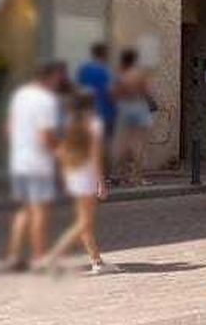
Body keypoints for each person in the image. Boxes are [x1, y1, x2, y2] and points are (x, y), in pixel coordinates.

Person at [5, 62, 66, 272]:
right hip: (38, 162)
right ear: (50, 78)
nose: (59, 82)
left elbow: (10, 127)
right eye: (58, 78)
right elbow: (46, 135)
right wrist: (61, 154)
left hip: (19, 161)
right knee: (40, 211)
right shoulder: (46, 100)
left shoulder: (20, 95)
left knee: (24, 209)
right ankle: (39, 259)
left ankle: (13, 256)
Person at [43, 91, 112, 274]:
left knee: (85, 222)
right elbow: (96, 157)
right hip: (87, 177)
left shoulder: (70, 124)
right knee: (83, 222)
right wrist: (102, 183)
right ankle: (52, 257)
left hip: (75, 175)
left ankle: (96, 260)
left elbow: (61, 152)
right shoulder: (94, 124)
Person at [112, 48, 154, 186]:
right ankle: (137, 177)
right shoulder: (139, 74)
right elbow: (147, 91)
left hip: (125, 108)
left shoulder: (121, 76)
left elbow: (115, 94)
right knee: (139, 145)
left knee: (124, 143)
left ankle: (123, 176)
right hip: (139, 107)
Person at [76, 43, 117, 164]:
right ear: (104, 54)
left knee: (88, 141)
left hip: (87, 111)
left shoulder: (84, 69)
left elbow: (79, 89)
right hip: (105, 110)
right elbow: (110, 91)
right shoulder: (105, 70)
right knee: (104, 142)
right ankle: (103, 172)